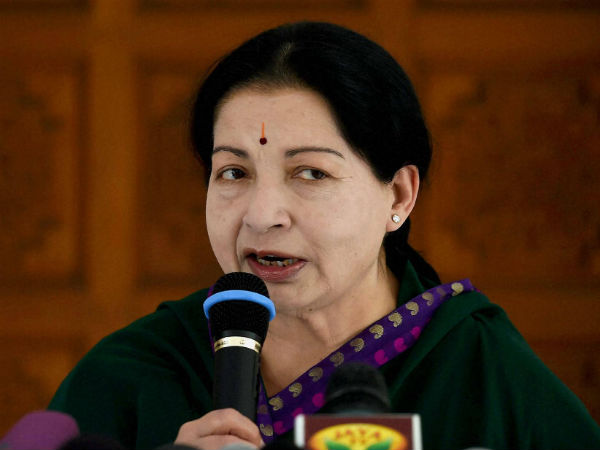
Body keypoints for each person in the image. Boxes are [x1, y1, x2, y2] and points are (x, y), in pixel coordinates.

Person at [49, 21, 600, 450]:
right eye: (234, 172)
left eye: (311, 173)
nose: (262, 215)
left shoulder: (481, 372)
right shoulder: (130, 376)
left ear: (398, 196)